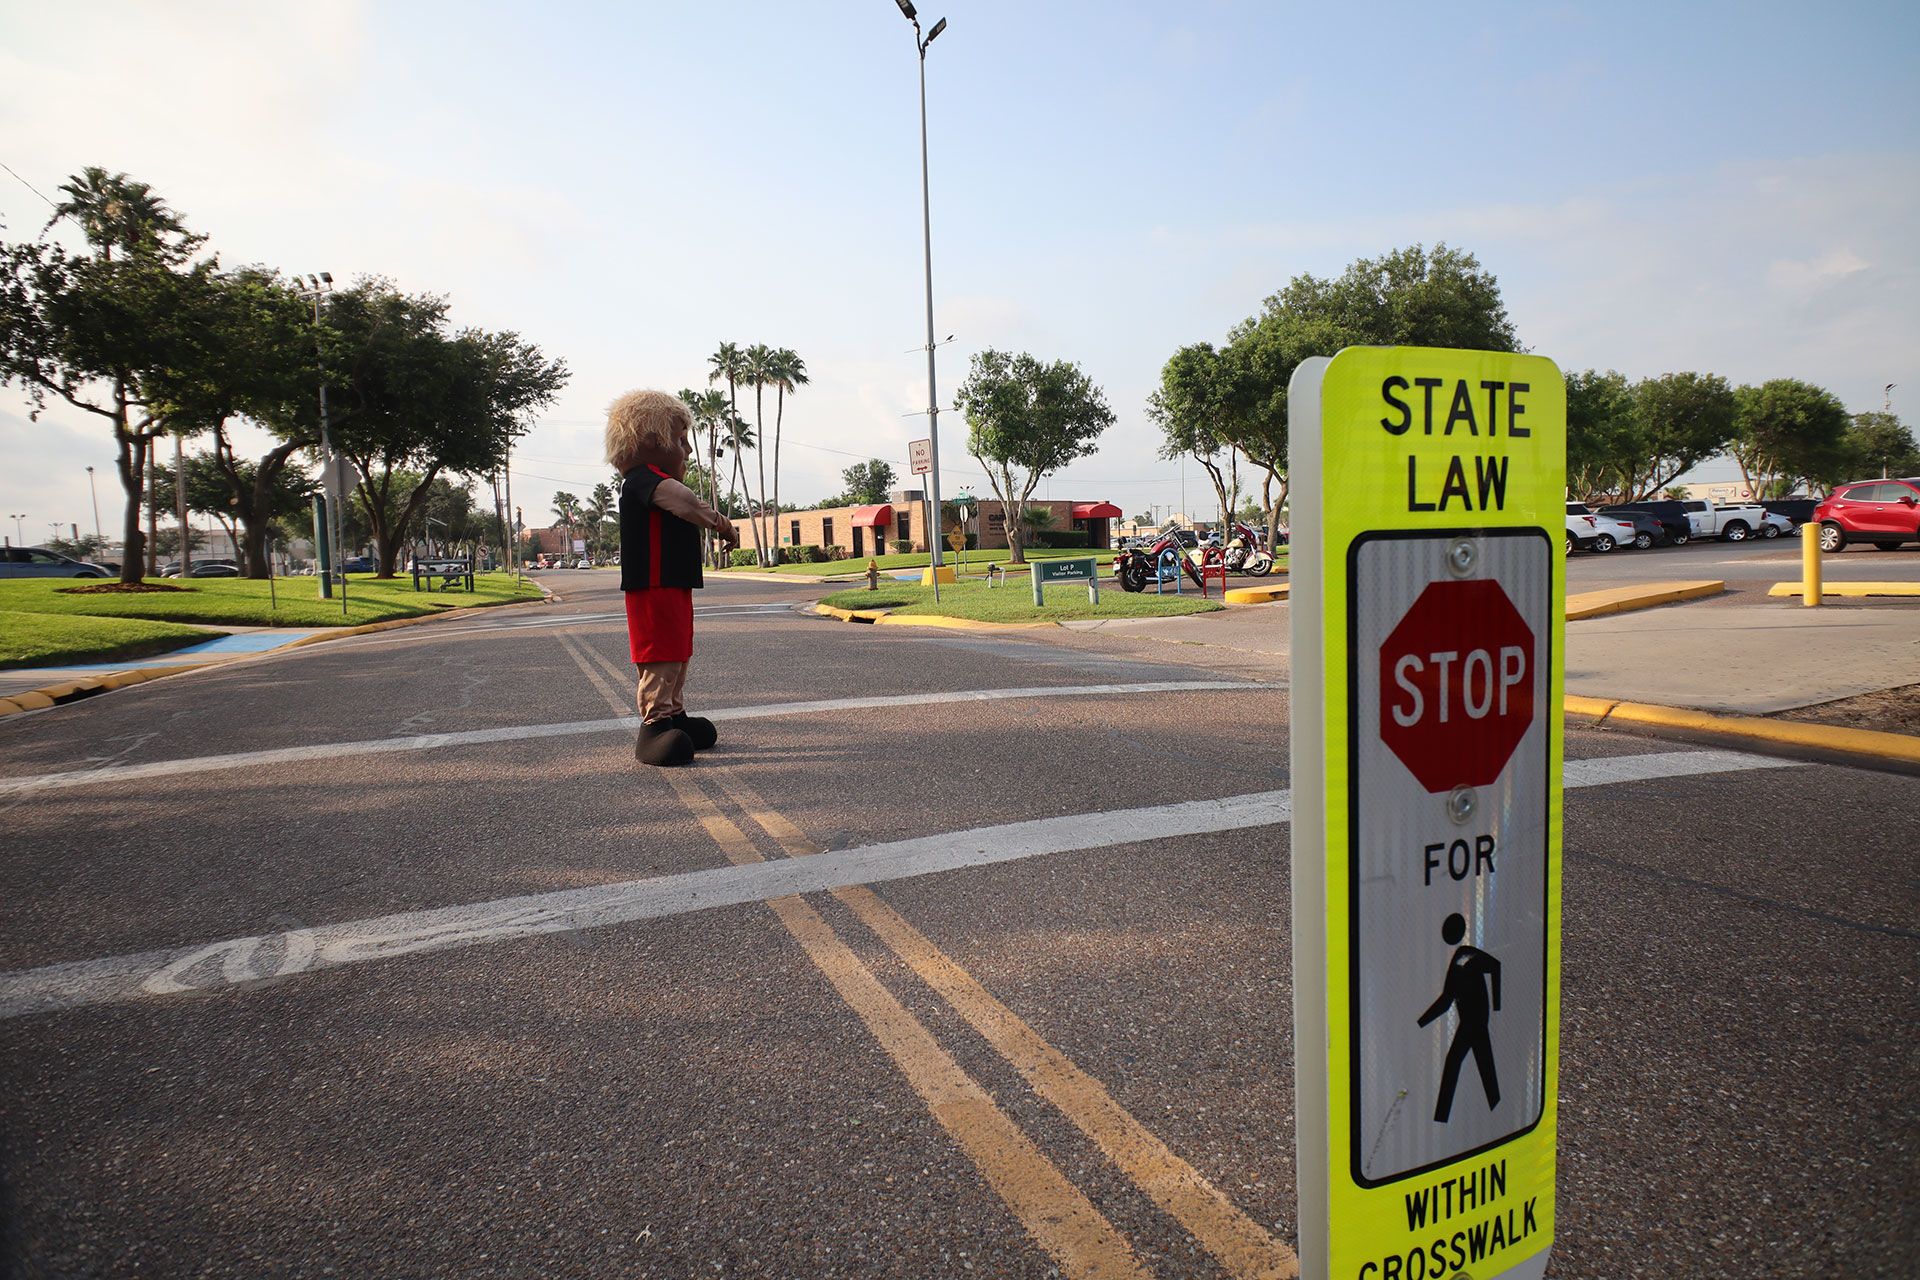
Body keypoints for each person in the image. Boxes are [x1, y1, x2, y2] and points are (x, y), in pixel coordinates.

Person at [606, 390, 737, 766]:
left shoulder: (652, 480)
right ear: (650, 441)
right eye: (680, 441)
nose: (689, 451)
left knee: (678, 652)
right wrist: (724, 526)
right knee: (659, 653)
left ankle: (674, 714)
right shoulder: (643, 481)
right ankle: (654, 727)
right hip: (652, 585)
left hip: (673, 582)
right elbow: (686, 502)